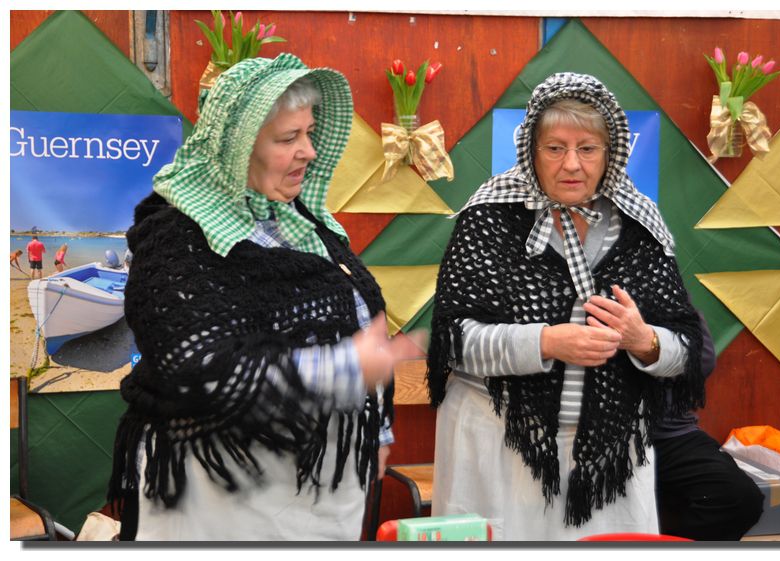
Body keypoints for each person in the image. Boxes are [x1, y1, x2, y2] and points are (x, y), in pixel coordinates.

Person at [107, 54, 423, 541]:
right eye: (287, 138)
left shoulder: (309, 227)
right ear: (238, 149)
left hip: (316, 492)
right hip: (222, 496)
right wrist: (344, 368)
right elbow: (196, 366)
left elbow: (360, 326)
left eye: (309, 133)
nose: (309, 152)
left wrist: (375, 433)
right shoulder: (177, 235)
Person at [426, 72, 705, 540]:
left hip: (611, 456)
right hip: (497, 444)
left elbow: (686, 351)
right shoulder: (488, 218)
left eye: (587, 149)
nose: (571, 164)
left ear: (610, 152)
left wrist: (647, 342)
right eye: (555, 148)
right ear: (531, 150)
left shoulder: (641, 226)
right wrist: (547, 341)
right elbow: (453, 340)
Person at [654, 312, 764, 540]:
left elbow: (703, 359)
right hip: (589, 437)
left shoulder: (660, 285)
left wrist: (649, 345)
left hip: (667, 430)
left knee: (740, 497)